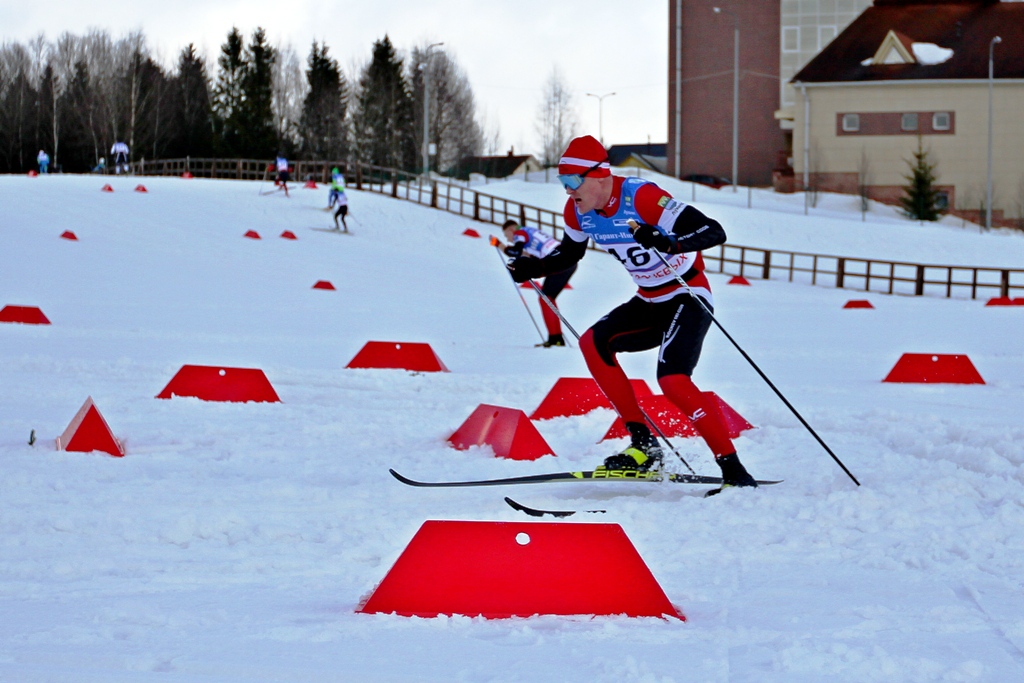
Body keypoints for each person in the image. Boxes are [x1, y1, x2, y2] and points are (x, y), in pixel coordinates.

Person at [506, 134, 757, 489]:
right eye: (562, 182)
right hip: (649, 299)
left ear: (599, 175)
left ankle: (734, 472)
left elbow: (713, 231)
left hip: (688, 294)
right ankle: (644, 446)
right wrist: (530, 269)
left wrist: (671, 242)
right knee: (593, 342)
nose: (567, 190)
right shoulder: (578, 212)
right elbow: (569, 255)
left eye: (572, 181)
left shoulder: (641, 196)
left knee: (673, 381)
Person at [501, 219, 576, 347]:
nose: (508, 240)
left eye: (506, 235)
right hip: (566, 260)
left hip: (559, 262)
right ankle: (556, 338)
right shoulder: (529, 231)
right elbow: (535, 254)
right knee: (547, 298)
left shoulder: (520, 233)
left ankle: (555, 339)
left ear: (511, 230)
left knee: (545, 298)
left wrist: (499, 245)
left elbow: (515, 251)